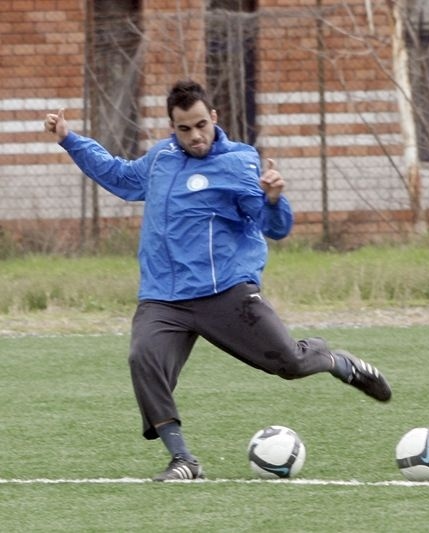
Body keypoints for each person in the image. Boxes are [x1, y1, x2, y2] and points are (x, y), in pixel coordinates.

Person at [44, 80, 391, 481]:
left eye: (200, 125)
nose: (195, 137)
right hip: (164, 298)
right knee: (144, 359)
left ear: (214, 118)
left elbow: (272, 227)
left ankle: (336, 361)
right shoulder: (160, 159)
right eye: (184, 129)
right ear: (172, 127)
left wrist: (275, 199)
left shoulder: (239, 162)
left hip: (225, 294)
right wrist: (70, 139)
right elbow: (120, 177)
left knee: (291, 364)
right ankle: (183, 460)